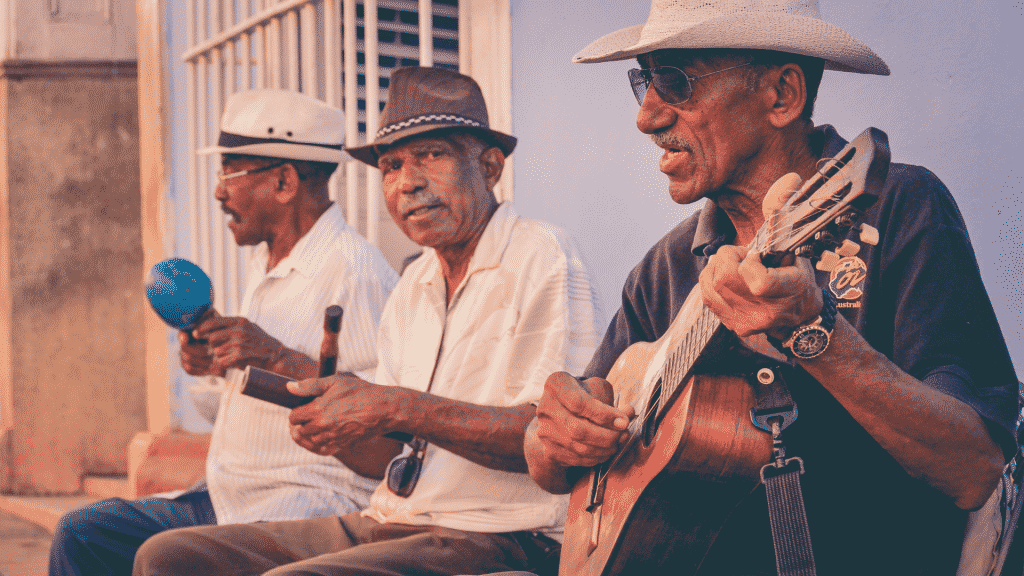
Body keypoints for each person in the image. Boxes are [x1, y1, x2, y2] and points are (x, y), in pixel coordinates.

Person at [524, 1, 1020, 574]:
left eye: (675, 81)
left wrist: (819, 337)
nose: (647, 117)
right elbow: (557, 458)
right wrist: (554, 434)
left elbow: (974, 467)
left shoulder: (903, 207)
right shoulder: (663, 268)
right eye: (644, 81)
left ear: (782, 94)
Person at [131, 66, 603, 576]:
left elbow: (553, 436)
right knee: (168, 558)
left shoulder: (541, 255)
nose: (408, 182)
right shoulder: (413, 288)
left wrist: (395, 405)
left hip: (495, 531)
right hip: (391, 516)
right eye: (391, 166)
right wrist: (340, 432)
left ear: (489, 167)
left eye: (432, 155)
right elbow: (388, 458)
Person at [49, 89, 399, 576]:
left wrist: (274, 355)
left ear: (283, 182)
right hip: (229, 494)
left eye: (229, 172)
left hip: (308, 500)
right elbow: (263, 372)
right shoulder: (267, 259)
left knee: (174, 558)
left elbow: (386, 420)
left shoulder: (356, 272)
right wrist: (219, 363)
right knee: (85, 532)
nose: (218, 192)